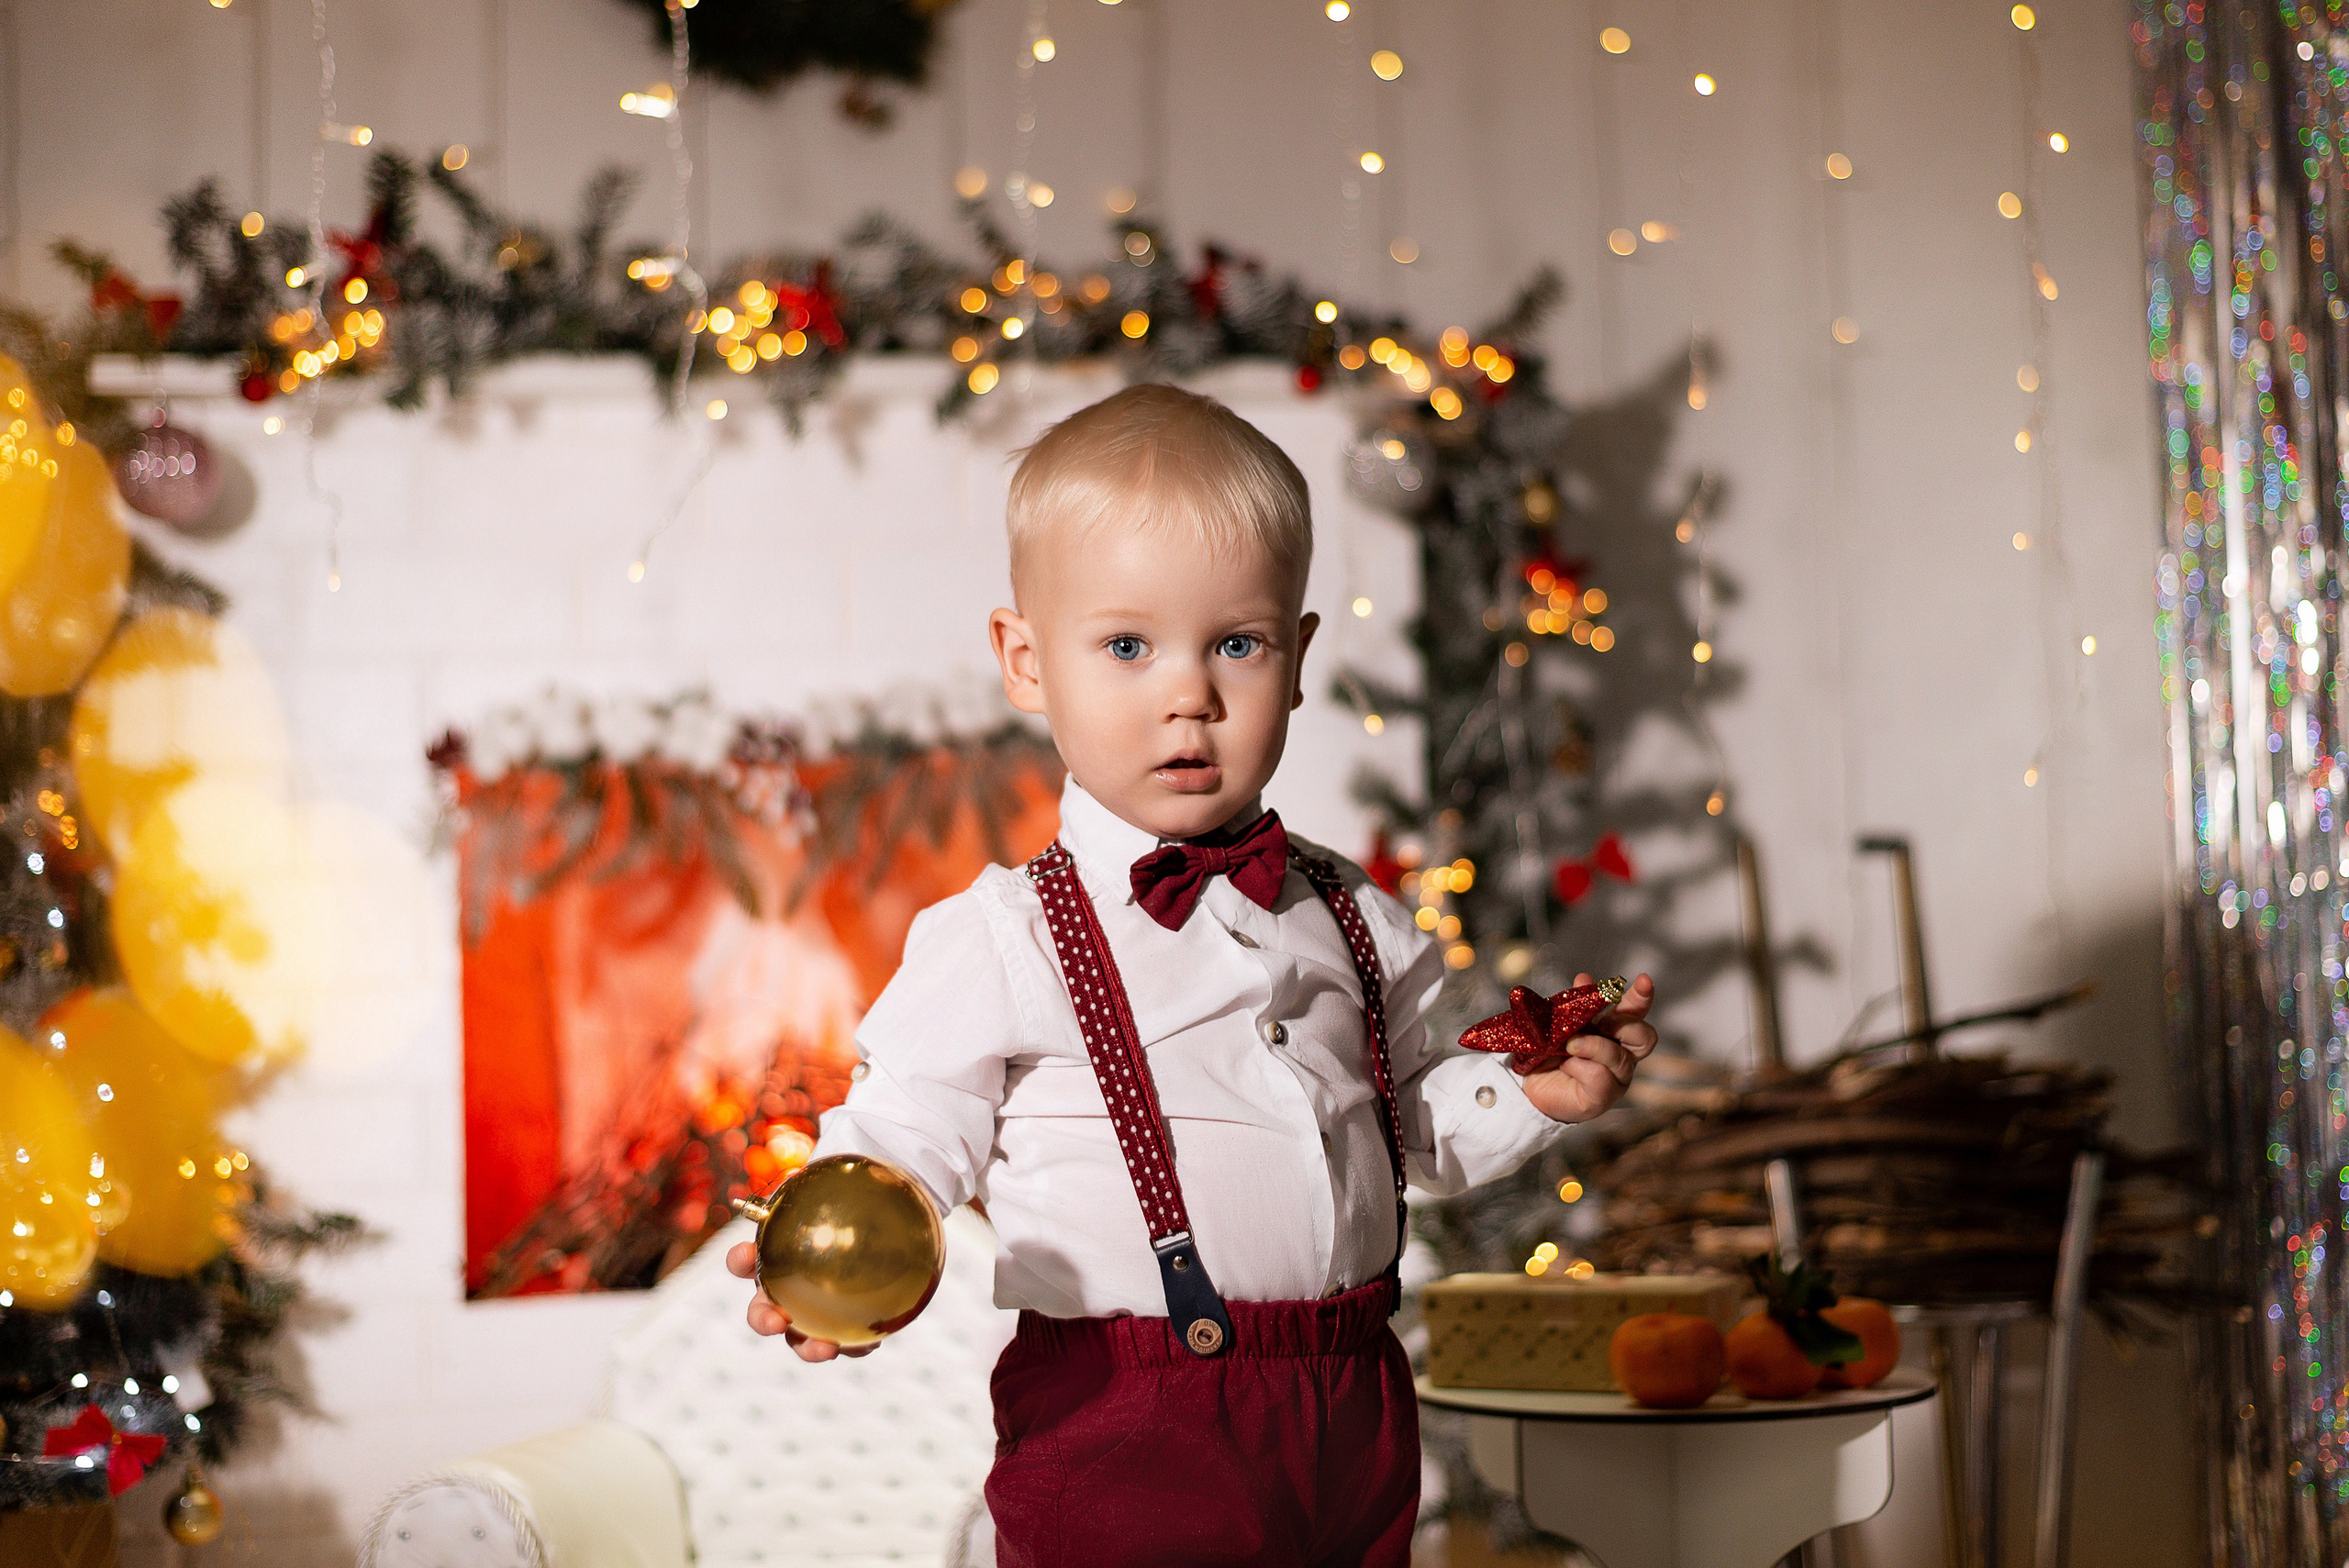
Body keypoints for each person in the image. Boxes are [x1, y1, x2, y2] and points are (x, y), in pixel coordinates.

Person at [729, 383, 1658, 1566]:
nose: (1190, 695)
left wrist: (1527, 1094)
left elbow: (1410, 1129)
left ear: (1300, 656)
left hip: (1354, 1407)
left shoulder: (1355, 917)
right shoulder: (1004, 939)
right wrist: (839, 1254)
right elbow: (908, 1133)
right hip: (1124, 1426)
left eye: (1238, 643)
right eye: (1126, 646)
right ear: (1025, 662)